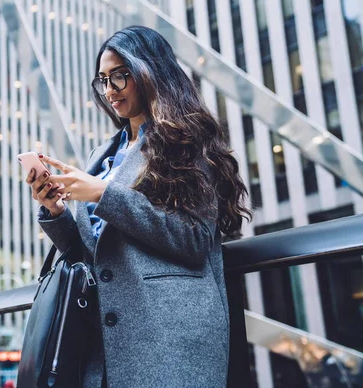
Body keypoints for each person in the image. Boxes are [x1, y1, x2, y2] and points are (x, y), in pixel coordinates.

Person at [25, 25, 251, 387]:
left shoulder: (185, 138)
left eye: (120, 76)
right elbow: (93, 253)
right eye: (103, 79)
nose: (110, 90)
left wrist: (103, 194)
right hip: (104, 345)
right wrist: (55, 211)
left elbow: (194, 238)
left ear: (150, 72)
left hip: (168, 338)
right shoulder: (102, 156)